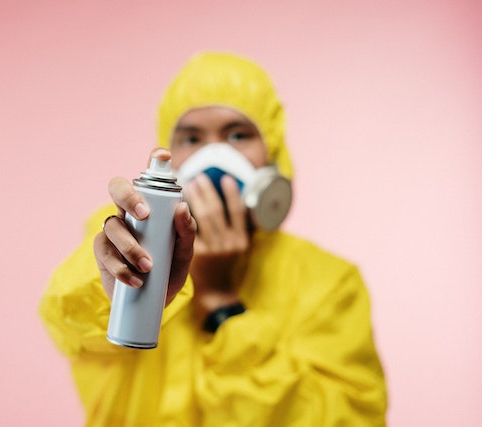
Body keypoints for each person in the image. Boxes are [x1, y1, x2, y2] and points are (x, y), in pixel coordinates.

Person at [40, 52, 387, 426]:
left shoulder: (330, 282)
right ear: (170, 158)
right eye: (191, 138)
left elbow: (348, 418)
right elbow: (67, 325)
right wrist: (123, 285)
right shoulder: (122, 237)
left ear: (272, 153)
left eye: (238, 135)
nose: (215, 156)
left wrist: (222, 303)